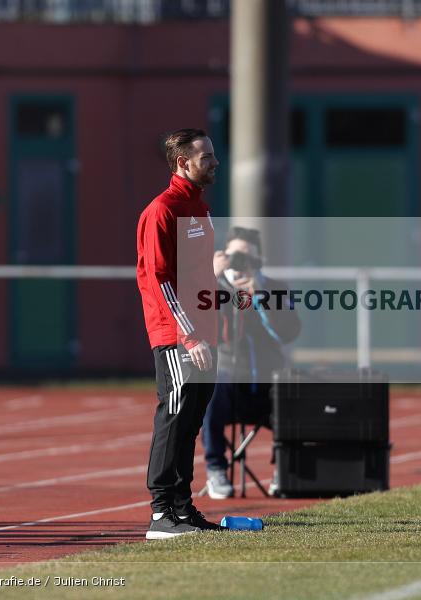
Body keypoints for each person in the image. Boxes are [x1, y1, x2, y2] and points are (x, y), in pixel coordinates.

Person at [136, 128, 224, 539]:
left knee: (191, 420)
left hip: (206, 333)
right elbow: (159, 280)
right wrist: (189, 336)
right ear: (182, 163)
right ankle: (160, 513)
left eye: (213, 154)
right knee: (173, 416)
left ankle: (183, 508)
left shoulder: (200, 209)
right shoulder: (162, 211)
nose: (214, 162)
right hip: (177, 336)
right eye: (206, 157)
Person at [202, 227, 300, 498]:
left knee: (294, 393)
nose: (242, 264)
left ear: (260, 261)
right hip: (227, 381)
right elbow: (191, 318)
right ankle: (216, 469)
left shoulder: (275, 289)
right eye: (236, 257)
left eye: (249, 259)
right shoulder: (212, 286)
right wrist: (210, 276)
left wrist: (261, 298)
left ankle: (284, 468)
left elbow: (289, 333)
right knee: (207, 392)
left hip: (266, 382)